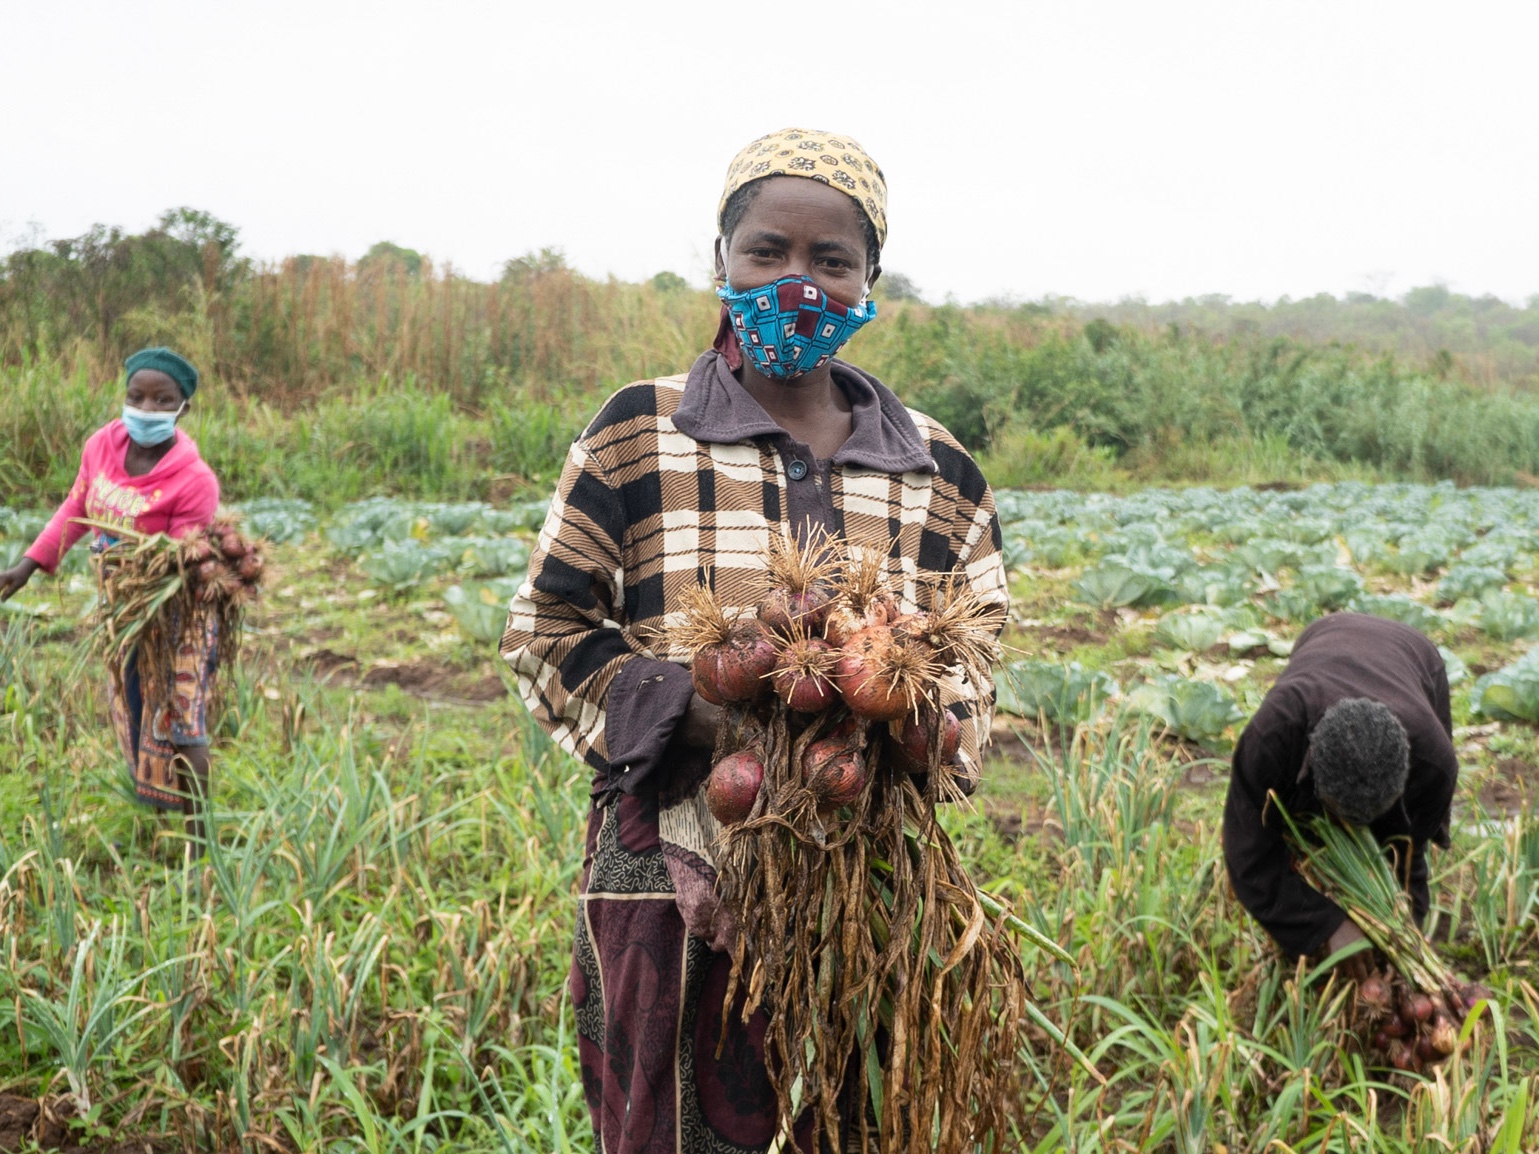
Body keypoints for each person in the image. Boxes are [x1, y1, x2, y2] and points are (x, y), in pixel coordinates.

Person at [500, 128, 1007, 1153]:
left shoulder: (939, 465)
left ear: (870, 280)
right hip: (668, 857)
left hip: (874, 871)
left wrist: (916, 718)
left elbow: (981, 657)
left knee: (866, 1117)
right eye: (767, 251)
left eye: (831, 261)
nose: (797, 281)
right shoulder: (638, 431)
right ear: (721, 259)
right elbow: (544, 626)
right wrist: (698, 703)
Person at [0, 347, 221, 848]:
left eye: (162, 399)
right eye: (136, 395)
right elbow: (77, 505)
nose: (146, 408)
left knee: (183, 725)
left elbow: (181, 564)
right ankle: (159, 817)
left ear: (183, 406)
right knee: (139, 711)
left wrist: (148, 598)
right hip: (120, 612)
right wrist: (28, 565)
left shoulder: (195, 480)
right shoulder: (101, 445)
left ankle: (200, 844)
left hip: (174, 616)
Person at [1223, 612, 1459, 960]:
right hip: (1325, 636)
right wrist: (1326, 926)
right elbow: (1249, 855)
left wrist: (1400, 936)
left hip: (1414, 654)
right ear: (1312, 764)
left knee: (1396, 840)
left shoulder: (1434, 763)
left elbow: (1410, 853)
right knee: (1297, 838)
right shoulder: (1272, 737)